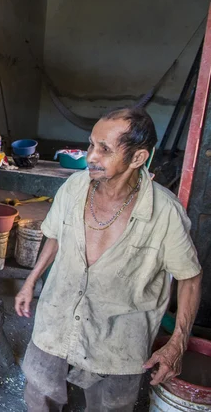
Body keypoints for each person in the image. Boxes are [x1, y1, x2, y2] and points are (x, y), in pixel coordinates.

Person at [14, 107, 202, 411]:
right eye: (91, 144)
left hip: (118, 342)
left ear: (138, 158)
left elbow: (189, 277)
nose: (91, 156)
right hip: (56, 322)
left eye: (104, 149)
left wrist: (178, 341)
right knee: (39, 393)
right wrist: (30, 281)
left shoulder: (165, 212)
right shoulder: (74, 187)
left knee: (110, 406)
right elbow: (54, 235)